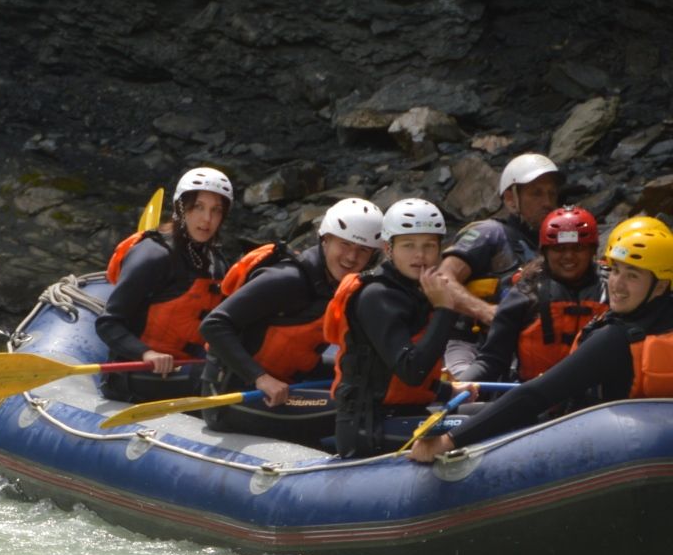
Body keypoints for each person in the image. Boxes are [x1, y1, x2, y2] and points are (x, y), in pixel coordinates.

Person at [408, 215, 673, 462]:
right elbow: (493, 360)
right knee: (441, 417)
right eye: (615, 271)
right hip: (632, 437)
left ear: (661, 284)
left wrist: (448, 441)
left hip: (585, 437)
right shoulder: (529, 294)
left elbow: (535, 396)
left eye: (632, 275)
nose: (617, 284)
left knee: (448, 426)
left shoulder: (615, 339)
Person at [197, 197, 383, 443]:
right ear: (325, 240)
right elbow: (214, 324)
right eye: (345, 244)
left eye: (363, 250)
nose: (351, 257)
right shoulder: (287, 279)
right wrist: (261, 378)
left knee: (374, 390)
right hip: (234, 397)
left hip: (286, 385)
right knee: (358, 411)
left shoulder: (337, 286)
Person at [327, 198, 496, 459]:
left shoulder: (418, 289)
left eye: (429, 245)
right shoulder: (377, 296)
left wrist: (447, 391)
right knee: (487, 426)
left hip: (409, 413)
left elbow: (390, 376)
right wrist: (444, 310)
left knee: (500, 411)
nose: (420, 255)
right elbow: (411, 370)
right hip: (369, 427)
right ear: (388, 248)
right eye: (409, 245)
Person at [96, 166, 234, 402]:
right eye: (198, 207)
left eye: (216, 211)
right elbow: (108, 324)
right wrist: (146, 353)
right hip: (135, 372)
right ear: (181, 208)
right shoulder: (153, 255)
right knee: (219, 380)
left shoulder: (216, 263)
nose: (207, 219)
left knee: (235, 372)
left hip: (184, 367)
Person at [437, 152, 562, 378]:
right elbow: (442, 280)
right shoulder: (489, 233)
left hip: (523, 350)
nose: (547, 202)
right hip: (472, 346)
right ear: (511, 199)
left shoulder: (553, 250)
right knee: (468, 396)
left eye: (552, 194)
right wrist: (485, 311)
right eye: (536, 193)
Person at [467, 206, 606, 383]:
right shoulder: (525, 293)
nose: (569, 256)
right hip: (536, 399)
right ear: (545, 252)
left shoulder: (612, 291)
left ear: (592, 251)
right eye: (558, 249)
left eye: (578, 248)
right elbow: (491, 360)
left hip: (599, 402)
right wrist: (458, 387)